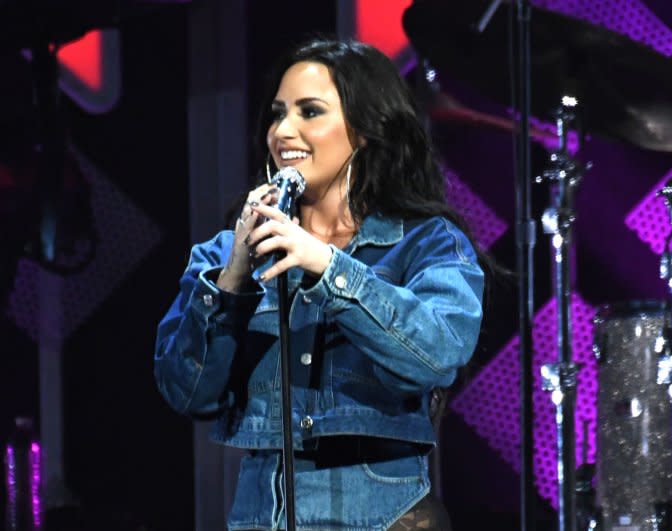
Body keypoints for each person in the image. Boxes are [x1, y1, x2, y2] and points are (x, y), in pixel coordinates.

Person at [154, 38, 486, 530]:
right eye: (277, 114)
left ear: (367, 129)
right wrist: (233, 279)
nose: (283, 131)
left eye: (310, 112)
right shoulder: (226, 253)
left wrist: (329, 269)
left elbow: (437, 352)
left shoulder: (426, 243)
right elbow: (187, 393)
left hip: (383, 517)